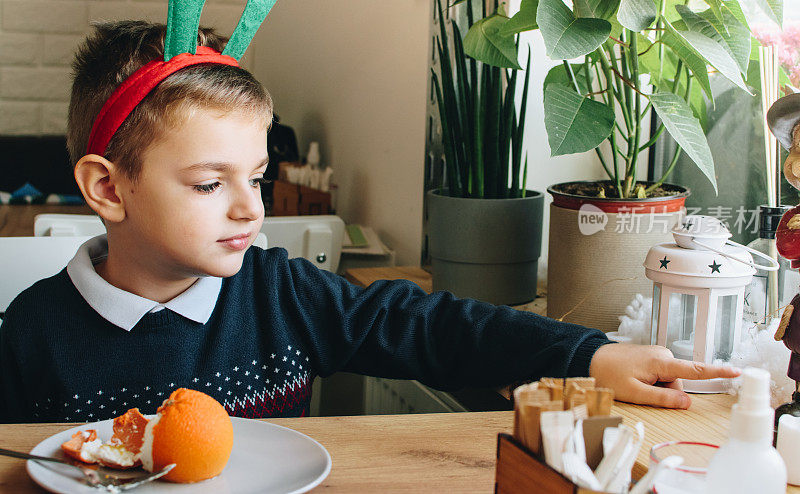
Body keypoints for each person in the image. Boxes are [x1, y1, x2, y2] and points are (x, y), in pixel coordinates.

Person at [0, 21, 738, 423]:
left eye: (256, 178)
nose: (249, 208)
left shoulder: (283, 296)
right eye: (206, 184)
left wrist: (592, 357)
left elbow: (434, 328)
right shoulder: (29, 335)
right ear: (108, 187)